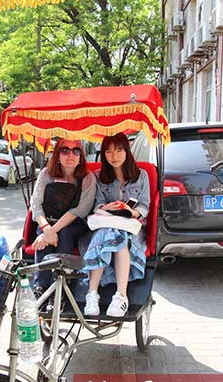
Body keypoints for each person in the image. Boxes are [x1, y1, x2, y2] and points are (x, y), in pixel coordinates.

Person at [83, 133, 150, 317]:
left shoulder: (141, 176)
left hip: (131, 227)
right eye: (109, 151)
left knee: (117, 235)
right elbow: (96, 204)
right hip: (106, 223)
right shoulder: (97, 177)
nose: (114, 155)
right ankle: (93, 295)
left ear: (126, 151)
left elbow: (145, 205)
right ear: (103, 154)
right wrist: (106, 207)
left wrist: (130, 212)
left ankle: (119, 295)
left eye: (119, 150)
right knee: (110, 233)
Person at [30, 138, 96, 295]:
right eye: (65, 150)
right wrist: (46, 228)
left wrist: (51, 231)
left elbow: (81, 210)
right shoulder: (46, 174)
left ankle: (63, 284)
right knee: (43, 239)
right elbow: (36, 205)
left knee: (64, 234)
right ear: (57, 155)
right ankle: (40, 287)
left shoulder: (88, 178)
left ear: (81, 157)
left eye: (76, 151)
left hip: (74, 224)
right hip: (47, 221)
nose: (70, 155)